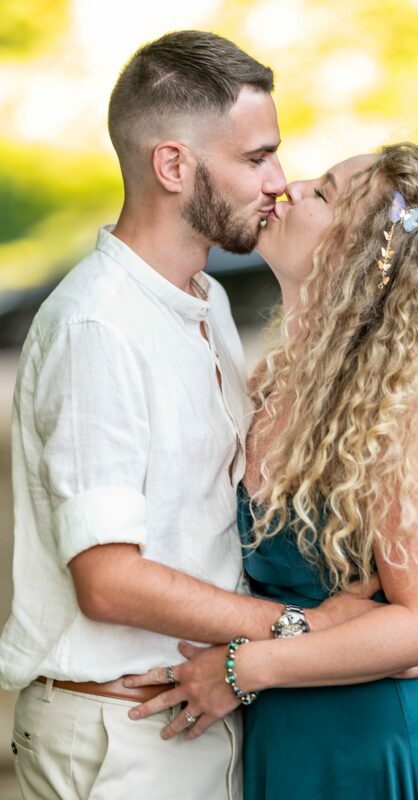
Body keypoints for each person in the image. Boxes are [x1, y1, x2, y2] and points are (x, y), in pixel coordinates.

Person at [0, 30, 387, 800]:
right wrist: (290, 629)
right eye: (255, 158)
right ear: (173, 165)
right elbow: (107, 579)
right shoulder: (97, 327)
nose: (279, 181)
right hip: (119, 736)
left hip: (199, 719)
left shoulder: (205, 303)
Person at [127, 143, 418, 799]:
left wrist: (242, 669)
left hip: (370, 745)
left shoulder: (399, 415)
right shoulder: (269, 385)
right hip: (282, 732)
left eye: (325, 193)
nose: (291, 186)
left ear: (368, 255)